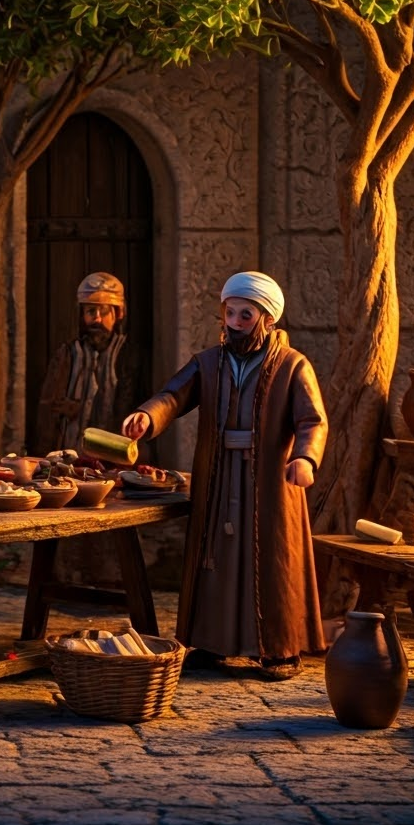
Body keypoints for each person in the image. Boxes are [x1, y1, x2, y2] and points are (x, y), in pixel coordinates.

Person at [121, 271, 327, 680]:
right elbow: (174, 395)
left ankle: (278, 649)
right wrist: (148, 415)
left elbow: (312, 420)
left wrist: (305, 458)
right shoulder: (209, 363)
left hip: (270, 481)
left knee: (272, 558)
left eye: (245, 314)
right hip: (218, 477)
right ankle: (212, 642)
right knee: (215, 558)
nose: (234, 322)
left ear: (268, 319)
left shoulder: (292, 366)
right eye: (230, 313)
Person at [34, 272, 144, 455]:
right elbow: (48, 413)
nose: (97, 319)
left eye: (104, 311)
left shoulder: (127, 356)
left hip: (113, 460)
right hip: (69, 457)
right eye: (91, 311)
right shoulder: (67, 355)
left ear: (118, 313)